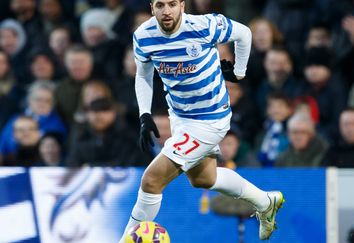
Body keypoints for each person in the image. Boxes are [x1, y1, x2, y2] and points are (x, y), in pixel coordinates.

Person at [119, 0, 284, 241]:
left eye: (172, 4)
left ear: (182, 6)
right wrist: (145, 114)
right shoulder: (144, 36)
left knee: (152, 180)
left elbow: (244, 33)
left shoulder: (205, 25)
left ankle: (125, 239)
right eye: (160, 5)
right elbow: (143, 75)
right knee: (204, 179)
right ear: (152, 7)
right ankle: (265, 201)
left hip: (210, 119)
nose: (167, 11)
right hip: (179, 114)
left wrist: (239, 71)